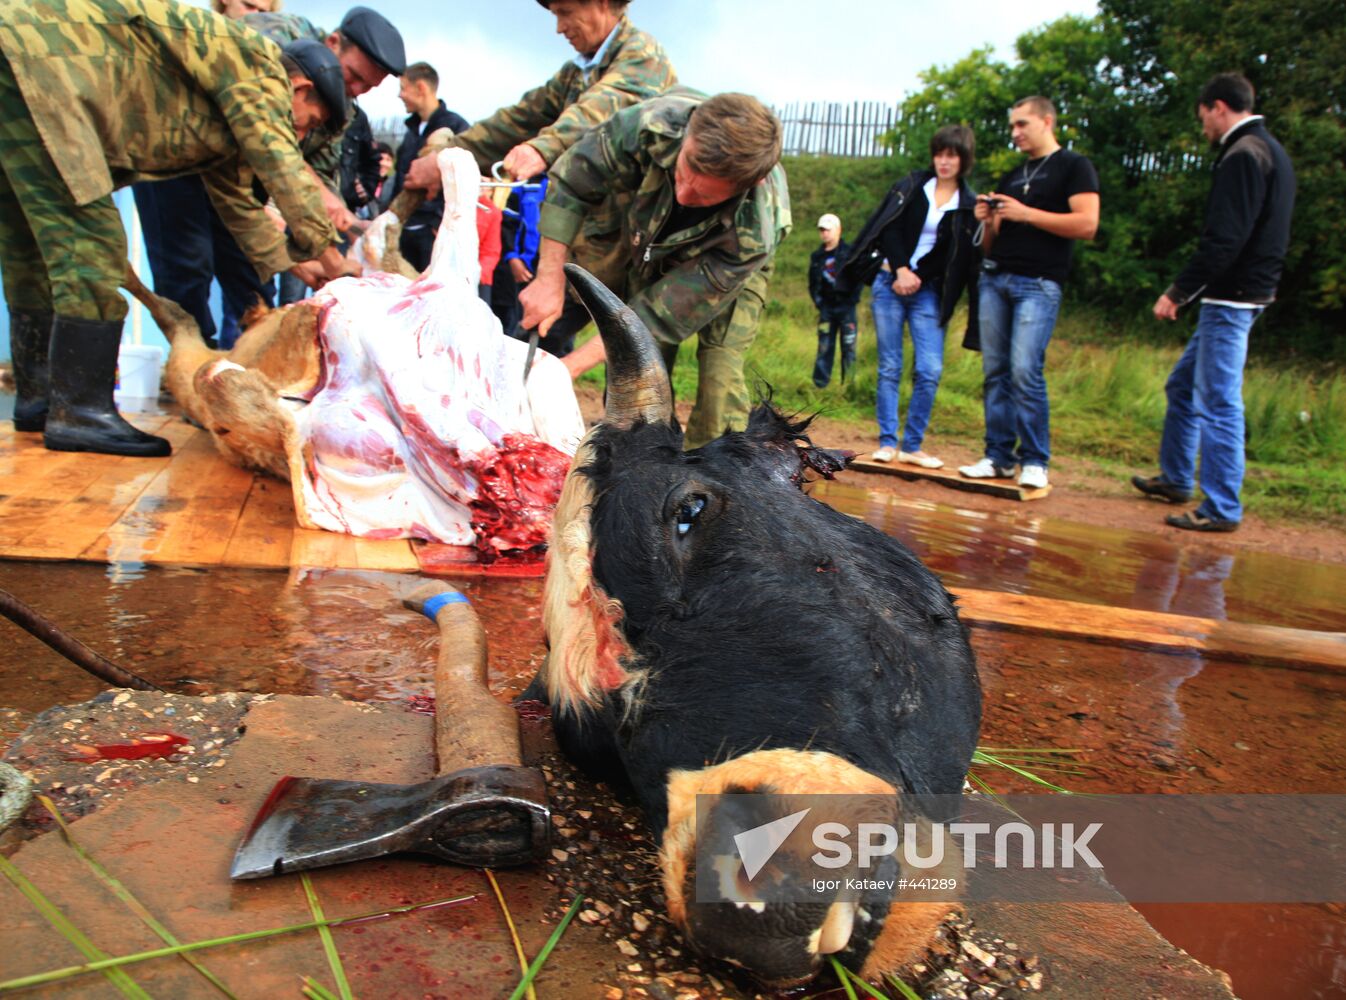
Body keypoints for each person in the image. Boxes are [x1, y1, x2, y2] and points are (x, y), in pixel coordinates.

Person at [1, 0, 354, 458]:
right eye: (311, 123)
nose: (302, 136)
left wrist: (297, 262)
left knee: (29, 242)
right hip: (47, 66)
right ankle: (82, 413)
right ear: (301, 88)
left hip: (19, 61)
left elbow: (239, 207)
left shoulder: (227, 113)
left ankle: (40, 398)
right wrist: (333, 258)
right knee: (92, 244)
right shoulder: (261, 70)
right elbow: (283, 167)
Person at [518, 90, 791, 449]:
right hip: (650, 234)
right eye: (685, 169)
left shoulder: (753, 233)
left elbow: (657, 316)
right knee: (638, 377)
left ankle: (709, 483)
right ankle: (638, 457)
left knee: (719, 376)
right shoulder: (651, 125)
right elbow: (573, 180)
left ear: (747, 185)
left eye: (703, 195)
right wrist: (548, 278)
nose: (684, 194)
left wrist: (568, 369)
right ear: (688, 133)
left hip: (725, 263)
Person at [402, 0, 675, 346]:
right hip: (593, 244)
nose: (559, 28)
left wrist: (542, 148)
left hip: (641, 247)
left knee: (638, 361)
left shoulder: (644, 60)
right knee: (534, 337)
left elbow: (601, 110)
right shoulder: (577, 73)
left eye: (565, 12)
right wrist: (448, 154)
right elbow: (516, 120)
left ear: (602, 3)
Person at [1131, 73, 1295, 533]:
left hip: (1233, 298)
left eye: (1203, 115)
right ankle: (1178, 478)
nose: (1203, 126)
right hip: (1248, 291)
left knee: (1219, 402)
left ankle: (1222, 507)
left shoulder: (1243, 154)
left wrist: (1179, 291)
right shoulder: (1272, 151)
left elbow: (1225, 238)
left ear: (1218, 107)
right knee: (1182, 386)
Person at [961, 97, 1099, 490]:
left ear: (1047, 121)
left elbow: (1088, 224)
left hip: (1038, 283)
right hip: (996, 278)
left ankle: (1035, 460)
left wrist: (1026, 214)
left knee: (1025, 370)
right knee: (995, 372)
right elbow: (991, 244)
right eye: (1012, 126)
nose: (1015, 133)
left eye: (1022, 124)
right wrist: (987, 222)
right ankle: (998, 456)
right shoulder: (1013, 174)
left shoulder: (1074, 166)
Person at [243, 5, 406, 303]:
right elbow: (273, 152)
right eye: (354, 75)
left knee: (253, 291)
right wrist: (328, 257)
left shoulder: (342, 107)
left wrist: (353, 225)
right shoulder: (276, 40)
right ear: (333, 42)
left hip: (249, 194)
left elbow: (319, 174)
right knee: (190, 268)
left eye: (368, 86)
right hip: (190, 160)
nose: (354, 90)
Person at [841, 125, 981, 468]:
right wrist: (901, 269)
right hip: (889, 282)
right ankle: (888, 442)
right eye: (940, 154)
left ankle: (912, 445)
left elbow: (952, 253)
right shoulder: (912, 186)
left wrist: (917, 276)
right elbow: (889, 228)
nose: (944, 162)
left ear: (964, 160)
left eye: (952, 155)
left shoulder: (968, 203)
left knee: (930, 368)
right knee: (890, 366)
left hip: (928, 290)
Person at [392, 62, 469, 272]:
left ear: (421, 88)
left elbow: (464, 181)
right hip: (404, 231)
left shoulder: (457, 128)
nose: (399, 95)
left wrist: (438, 223)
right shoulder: (410, 132)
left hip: (433, 235)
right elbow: (401, 177)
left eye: (403, 88)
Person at [807, 213, 860, 389]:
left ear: (838, 230)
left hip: (846, 308)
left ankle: (849, 386)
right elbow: (812, 282)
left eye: (828, 230)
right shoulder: (817, 256)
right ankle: (820, 385)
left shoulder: (849, 253)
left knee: (849, 347)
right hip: (826, 309)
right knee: (824, 346)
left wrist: (852, 300)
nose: (824, 234)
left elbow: (857, 279)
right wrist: (818, 302)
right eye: (822, 230)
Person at [356, 142, 396, 220]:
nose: (384, 163)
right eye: (380, 159)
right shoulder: (357, 182)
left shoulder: (392, 185)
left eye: (388, 160)